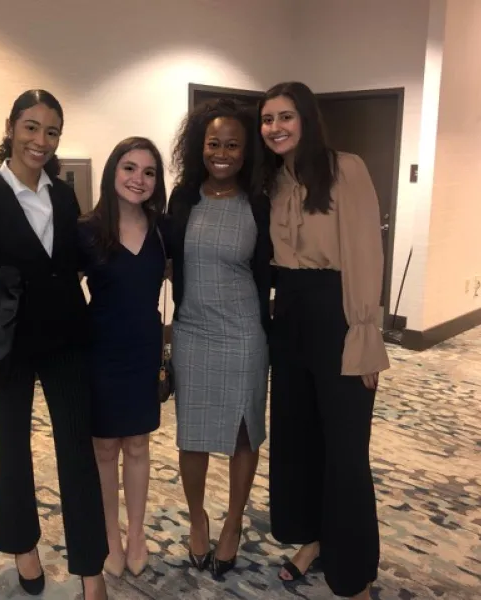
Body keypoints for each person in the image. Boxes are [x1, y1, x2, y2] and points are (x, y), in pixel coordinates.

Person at [0, 90, 108, 600]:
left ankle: (91, 570)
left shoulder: (62, 195)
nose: (41, 140)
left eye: (51, 131)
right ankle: (23, 547)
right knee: (12, 447)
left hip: (66, 339)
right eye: (31, 127)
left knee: (76, 451)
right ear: (11, 126)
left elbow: (77, 261)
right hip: (5, 342)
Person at [255, 81, 390, 600]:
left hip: (337, 316)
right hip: (288, 316)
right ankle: (313, 540)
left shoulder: (345, 168)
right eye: (268, 120)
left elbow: (363, 253)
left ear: (306, 119)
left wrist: (364, 335)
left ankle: (354, 571)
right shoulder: (275, 181)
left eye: (285, 116)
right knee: (298, 440)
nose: (276, 128)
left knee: (345, 450)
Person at [168, 98, 272, 577]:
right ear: (199, 146)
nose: (223, 153)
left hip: (244, 332)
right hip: (193, 329)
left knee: (243, 429)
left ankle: (233, 522)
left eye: (233, 145)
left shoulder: (259, 202)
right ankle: (197, 518)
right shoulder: (183, 197)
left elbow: (270, 268)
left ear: (247, 151)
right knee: (192, 433)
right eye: (214, 144)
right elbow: (164, 258)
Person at [77, 137, 168, 579]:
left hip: (144, 347)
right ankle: (110, 536)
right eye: (130, 168)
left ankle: (137, 534)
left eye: (149, 172)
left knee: (137, 443)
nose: (138, 179)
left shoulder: (163, 229)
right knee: (104, 447)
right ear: (113, 172)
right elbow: (61, 292)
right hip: (100, 348)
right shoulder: (88, 229)